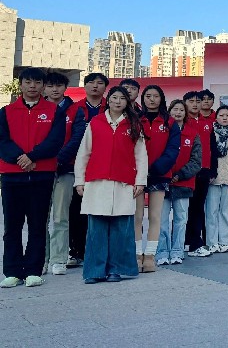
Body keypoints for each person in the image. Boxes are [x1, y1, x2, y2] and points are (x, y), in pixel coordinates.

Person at [73, 86, 148, 284]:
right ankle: (94, 271)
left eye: (122, 98)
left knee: (121, 229)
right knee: (96, 229)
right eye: (114, 97)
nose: (117, 101)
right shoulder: (95, 122)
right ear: (108, 100)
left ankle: (116, 269)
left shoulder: (133, 125)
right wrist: (79, 180)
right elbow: (84, 153)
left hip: (123, 182)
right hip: (97, 182)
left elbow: (141, 156)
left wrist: (140, 181)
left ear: (127, 102)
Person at [0, 68, 66, 288]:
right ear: (20, 84)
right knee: (12, 226)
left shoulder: (54, 111)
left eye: (37, 82)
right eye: (28, 82)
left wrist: (33, 157)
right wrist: (20, 159)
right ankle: (12, 271)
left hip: (41, 174)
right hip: (12, 176)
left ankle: (33, 271)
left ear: (43, 86)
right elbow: (2, 141)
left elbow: (55, 141)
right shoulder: (6, 111)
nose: (32, 86)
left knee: (37, 224)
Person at [58, 72, 108, 269]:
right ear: (84, 86)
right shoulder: (73, 109)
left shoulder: (112, 107)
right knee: (76, 210)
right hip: (76, 167)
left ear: (105, 87)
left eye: (100, 83)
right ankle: (76, 251)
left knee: (100, 212)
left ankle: (98, 252)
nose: (95, 86)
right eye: (91, 82)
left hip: (103, 167)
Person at [134, 85, 180, 273]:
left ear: (161, 99)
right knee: (137, 216)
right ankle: (137, 255)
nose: (151, 99)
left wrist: (156, 168)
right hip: (137, 174)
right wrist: (140, 169)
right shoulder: (135, 119)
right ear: (143, 98)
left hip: (159, 174)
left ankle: (150, 256)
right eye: (148, 96)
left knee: (155, 216)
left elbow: (173, 150)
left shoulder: (170, 122)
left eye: (155, 96)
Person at [155, 100, 201, 265]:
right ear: (169, 112)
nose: (178, 112)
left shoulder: (193, 134)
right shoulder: (162, 131)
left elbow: (196, 161)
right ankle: (162, 252)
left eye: (182, 110)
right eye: (175, 109)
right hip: (162, 182)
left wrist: (180, 175)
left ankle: (177, 252)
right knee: (161, 221)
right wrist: (164, 172)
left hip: (183, 184)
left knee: (181, 220)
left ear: (185, 113)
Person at [42, 71, 73, 276]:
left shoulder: (74, 110)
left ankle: (59, 259)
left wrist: (59, 159)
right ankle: (42, 259)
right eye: (51, 85)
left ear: (65, 88)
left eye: (59, 85)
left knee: (60, 217)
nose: (55, 89)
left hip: (65, 169)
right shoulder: (37, 109)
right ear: (45, 88)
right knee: (40, 218)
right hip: (40, 170)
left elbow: (77, 138)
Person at [205, 105, 228, 252]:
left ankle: (224, 242)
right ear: (216, 117)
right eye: (221, 115)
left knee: (227, 212)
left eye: (227, 115)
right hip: (213, 178)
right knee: (211, 211)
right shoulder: (210, 133)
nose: (224, 118)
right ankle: (212, 242)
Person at [185, 91, 217, 258]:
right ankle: (185, 242)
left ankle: (195, 243)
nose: (195, 104)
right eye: (191, 101)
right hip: (185, 171)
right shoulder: (182, 121)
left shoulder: (208, 123)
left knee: (198, 208)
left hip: (203, 171)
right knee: (183, 209)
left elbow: (213, 148)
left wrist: (212, 170)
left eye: (198, 101)